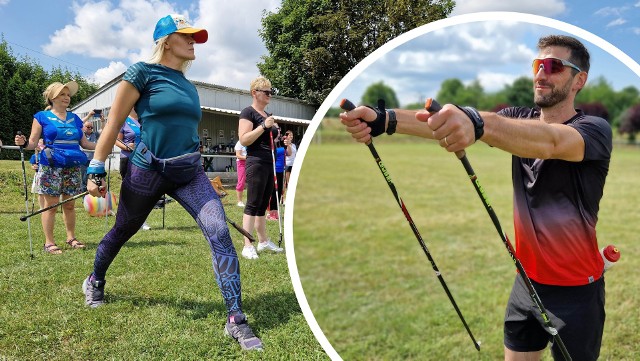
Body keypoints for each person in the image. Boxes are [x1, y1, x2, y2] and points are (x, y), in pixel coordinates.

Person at [340, 35, 611, 361]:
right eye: (537, 65)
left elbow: (551, 142)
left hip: (577, 292)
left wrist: (478, 123)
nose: (541, 74)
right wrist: (384, 119)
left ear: (578, 79)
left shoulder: (594, 129)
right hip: (525, 283)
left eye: (553, 66)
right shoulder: (517, 118)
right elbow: (442, 122)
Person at [82, 14, 263, 351]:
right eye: (187, 36)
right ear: (166, 40)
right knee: (123, 230)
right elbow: (113, 123)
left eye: (196, 36)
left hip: (188, 173)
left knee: (220, 232)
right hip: (146, 171)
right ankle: (95, 280)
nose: (194, 41)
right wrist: (95, 169)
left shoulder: (186, 85)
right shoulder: (141, 72)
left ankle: (235, 319)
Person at [14, 81, 96, 254]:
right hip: (50, 166)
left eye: (68, 95)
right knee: (50, 206)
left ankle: (71, 237)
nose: (66, 98)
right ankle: (49, 242)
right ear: (52, 97)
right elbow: (32, 143)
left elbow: (85, 143)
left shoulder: (75, 119)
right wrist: (23, 143)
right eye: (62, 94)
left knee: (70, 205)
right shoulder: (41, 117)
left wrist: (103, 144)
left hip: (73, 166)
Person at [238, 76, 284, 259]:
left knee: (262, 204)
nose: (269, 95)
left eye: (271, 92)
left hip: (269, 162)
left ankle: (263, 241)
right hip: (255, 161)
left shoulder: (267, 114)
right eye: (266, 92)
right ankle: (247, 244)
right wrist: (264, 127)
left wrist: (275, 130)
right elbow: (244, 139)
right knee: (253, 202)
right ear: (254, 93)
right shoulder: (248, 112)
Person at [115, 108, 151, 230]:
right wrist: (126, 146)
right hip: (127, 158)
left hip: (144, 158)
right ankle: (123, 219)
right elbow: (116, 140)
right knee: (128, 190)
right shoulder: (124, 121)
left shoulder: (144, 121)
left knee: (142, 190)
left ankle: (141, 221)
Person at [266, 127, 290, 220]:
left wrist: (288, 144)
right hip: (273, 170)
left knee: (279, 191)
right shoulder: (270, 142)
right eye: (277, 130)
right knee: (272, 192)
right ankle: (270, 212)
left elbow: (288, 153)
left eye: (279, 130)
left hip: (281, 170)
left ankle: (275, 212)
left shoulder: (281, 142)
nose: (279, 132)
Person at [80, 111, 104, 187]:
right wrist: (89, 115)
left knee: (96, 178)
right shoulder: (81, 134)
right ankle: (84, 197)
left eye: (91, 127)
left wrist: (102, 120)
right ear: (83, 127)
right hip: (84, 160)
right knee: (84, 179)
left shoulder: (95, 134)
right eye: (88, 127)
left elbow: (104, 130)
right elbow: (78, 124)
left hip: (93, 160)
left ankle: (95, 194)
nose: (90, 128)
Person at [283, 130, 296, 203]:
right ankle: (284, 199)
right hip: (287, 165)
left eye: (292, 135)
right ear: (287, 136)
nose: (291, 136)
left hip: (293, 164)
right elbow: (288, 154)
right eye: (290, 135)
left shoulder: (293, 145)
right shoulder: (285, 144)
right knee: (286, 182)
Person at [234, 139, 247, 207]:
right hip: (241, 163)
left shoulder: (251, 141)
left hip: (250, 162)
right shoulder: (239, 143)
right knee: (241, 181)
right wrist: (247, 158)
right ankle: (239, 201)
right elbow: (238, 155)